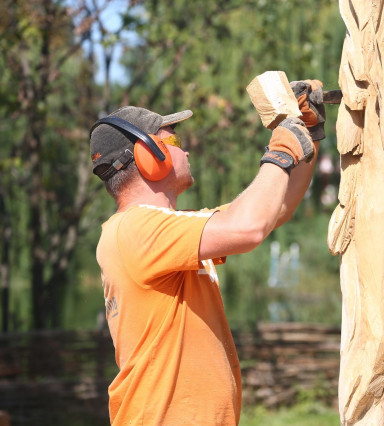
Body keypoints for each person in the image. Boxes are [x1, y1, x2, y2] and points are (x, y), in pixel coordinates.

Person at [89, 80, 325, 425]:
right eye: (175, 142)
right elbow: (248, 228)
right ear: (146, 155)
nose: (186, 152)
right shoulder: (136, 230)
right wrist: (281, 147)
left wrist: (308, 132)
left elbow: (275, 209)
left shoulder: (163, 229)